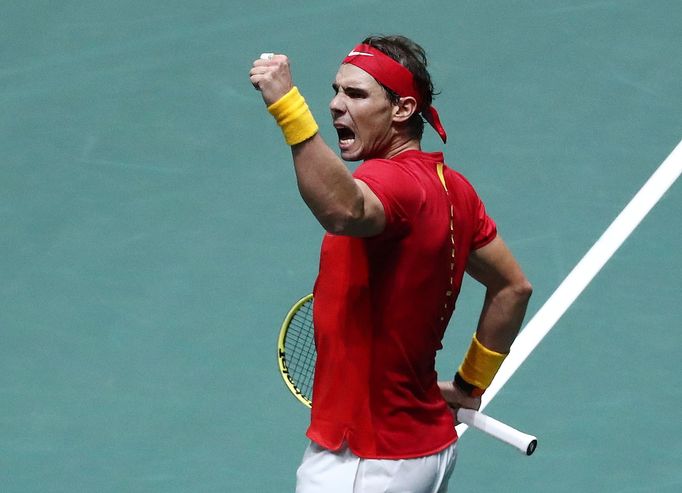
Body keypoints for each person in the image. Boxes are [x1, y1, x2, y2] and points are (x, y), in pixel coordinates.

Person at [249, 35, 532, 492]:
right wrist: (468, 387)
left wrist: (288, 107)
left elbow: (344, 210)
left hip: (365, 462)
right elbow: (513, 288)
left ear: (401, 110)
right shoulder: (454, 189)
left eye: (356, 94)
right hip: (424, 451)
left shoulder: (388, 181)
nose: (336, 105)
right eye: (336, 90)